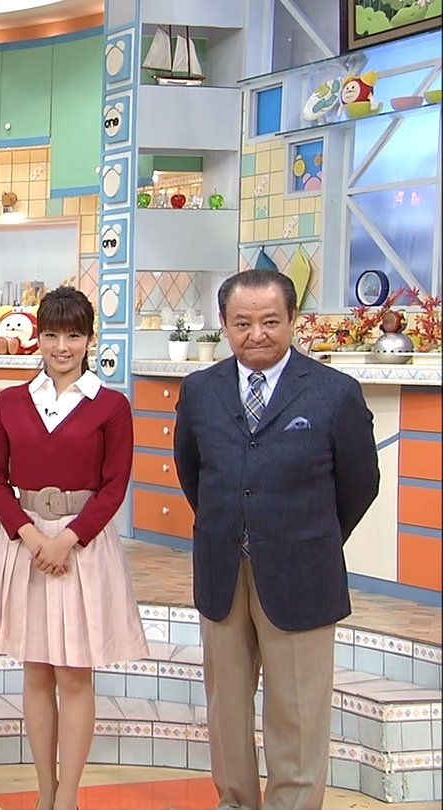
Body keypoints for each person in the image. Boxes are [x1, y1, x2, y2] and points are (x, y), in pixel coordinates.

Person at [173, 269, 379, 810]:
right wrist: (236, 527)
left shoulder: (334, 392)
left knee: (299, 712)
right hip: (222, 568)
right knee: (226, 708)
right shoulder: (200, 391)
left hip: (302, 572)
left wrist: (310, 538)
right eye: (242, 323)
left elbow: (360, 484)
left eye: (269, 321)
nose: (256, 334)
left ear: (293, 320)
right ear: (224, 324)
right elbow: (192, 473)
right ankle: (235, 802)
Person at [0, 287, 147, 810]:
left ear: (90, 339)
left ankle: (68, 798)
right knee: (35, 669)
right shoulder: (10, 402)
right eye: (51, 334)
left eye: (73, 335)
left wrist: (68, 539)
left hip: (82, 549)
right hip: (26, 544)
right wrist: (30, 536)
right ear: (39, 339)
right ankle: (43, 793)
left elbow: (114, 486)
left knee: (74, 673)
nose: (61, 346)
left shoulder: (111, 406)